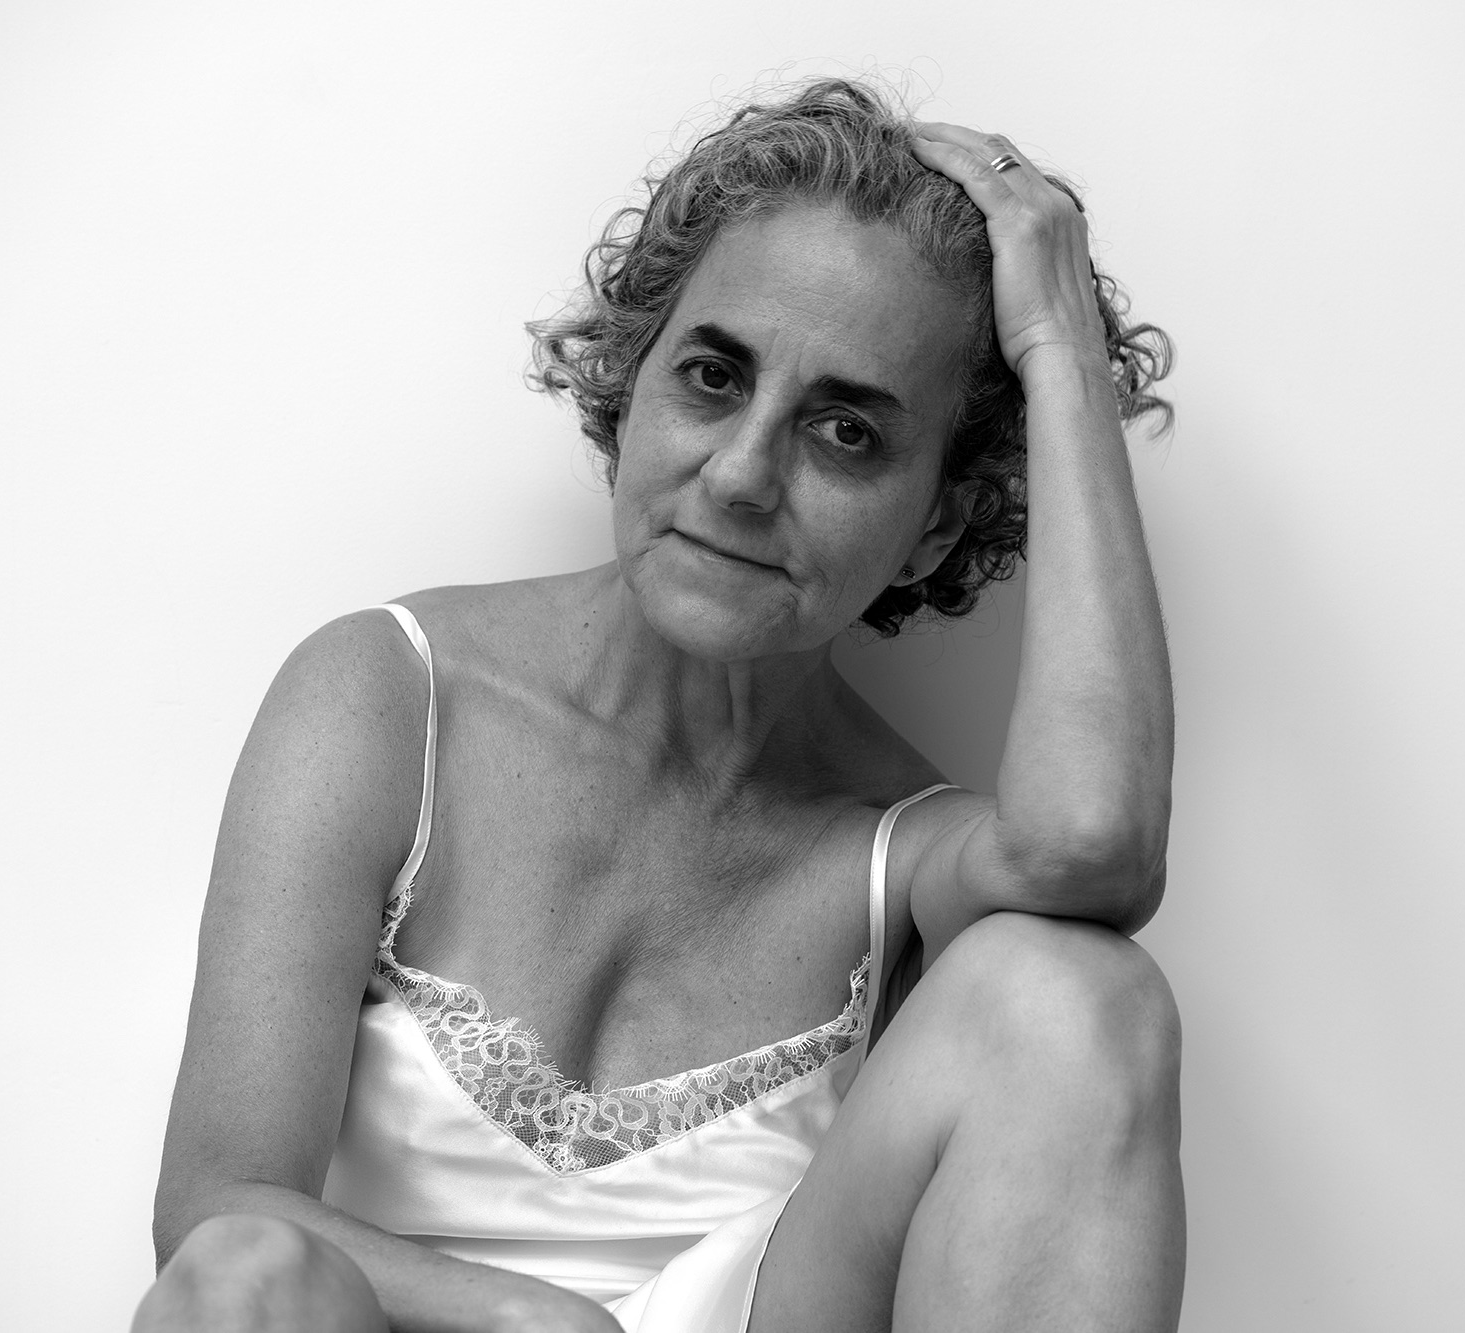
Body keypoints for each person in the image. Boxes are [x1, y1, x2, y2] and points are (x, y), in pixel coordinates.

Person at [135, 77, 1183, 1333]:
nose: (740, 475)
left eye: (845, 433)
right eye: (712, 376)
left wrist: (1059, 353)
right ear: (632, 386)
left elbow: (1088, 848)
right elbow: (216, 1206)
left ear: (933, 527)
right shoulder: (386, 697)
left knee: (1073, 993)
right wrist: (542, 1321)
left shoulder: (899, 849)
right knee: (247, 1274)